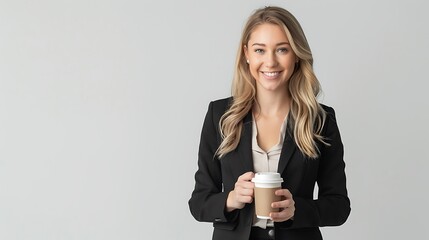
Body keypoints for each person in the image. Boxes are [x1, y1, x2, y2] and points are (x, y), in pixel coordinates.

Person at [188, 6, 350, 240]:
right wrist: (231, 199)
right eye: (260, 50)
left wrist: (297, 210)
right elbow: (199, 202)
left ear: (296, 55)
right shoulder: (220, 115)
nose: (270, 62)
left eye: (282, 49)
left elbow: (339, 207)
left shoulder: (320, 120)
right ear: (247, 54)